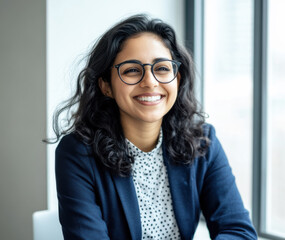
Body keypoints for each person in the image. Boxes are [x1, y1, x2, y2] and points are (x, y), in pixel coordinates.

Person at [52, 14, 257, 240]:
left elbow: (238, 231)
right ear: (106, 86)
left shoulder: (202, 141)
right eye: (131, 70)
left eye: (161, 68)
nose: (150, 81)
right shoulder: (78, 153)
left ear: (177, 79)